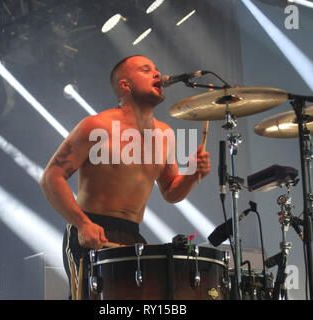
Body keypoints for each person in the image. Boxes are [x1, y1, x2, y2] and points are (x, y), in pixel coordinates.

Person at [40, 55, 210, 299]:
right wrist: (82, 223)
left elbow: (171, 191)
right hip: (91, 229)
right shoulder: (96, 126)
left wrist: (192, 175)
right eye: (145, 69)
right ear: (125, 85)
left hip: (132, 235)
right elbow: (51, 177)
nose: (157, 73)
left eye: (156, 68)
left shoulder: (165, 134)